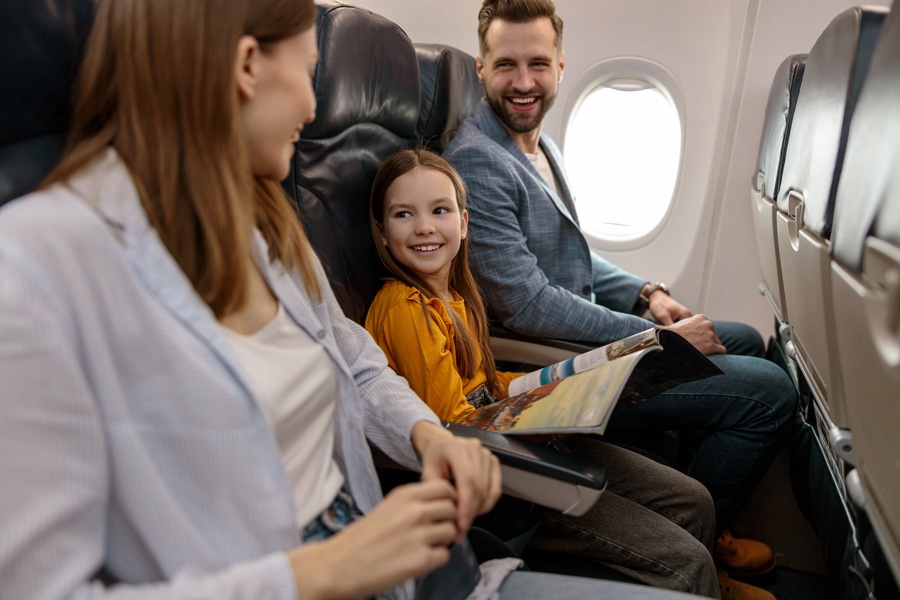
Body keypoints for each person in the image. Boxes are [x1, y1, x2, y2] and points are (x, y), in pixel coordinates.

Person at [0, 1, 692, 598]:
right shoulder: (37, 268)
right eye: (307, 75)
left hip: (399, 563)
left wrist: (426, 433)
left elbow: (353, 358)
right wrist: (325, 571)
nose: (312, 107)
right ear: (246, 66)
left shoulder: (261, 221)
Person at [442, 0, 796, 595]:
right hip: (550, 368)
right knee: (768, 393)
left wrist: (647, 292)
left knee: (741, 337)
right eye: (506, 65)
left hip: (576, 340)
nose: (523, 82)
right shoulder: (477, 162)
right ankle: (705, 543)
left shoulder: (537, 145)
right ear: (481, 68)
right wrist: (655, 341)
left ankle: (707, 528)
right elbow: (527, 306)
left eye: (537, 64)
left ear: (560, 65)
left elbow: (572, 255)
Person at [365, 148, 720, 598]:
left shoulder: (457, 296)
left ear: (464, 222)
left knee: (693, 501)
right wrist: (537, 416)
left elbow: (484, 386)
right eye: (403, 214)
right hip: (499, 480)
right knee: (687, 562)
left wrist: (562, 381)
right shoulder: (405, 307)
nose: (424, 227)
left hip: (515, 442)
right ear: (381, 232)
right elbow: (451, 423)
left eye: (440, 210)